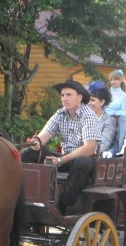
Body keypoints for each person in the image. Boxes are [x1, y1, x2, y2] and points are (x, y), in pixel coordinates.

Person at [21, 79, 99, 213]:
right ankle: (28, 196)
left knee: (81, 163)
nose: (64, 98)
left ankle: (66, 203)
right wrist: (36, 142)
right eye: (62, 95)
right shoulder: (60, 114)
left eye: (69, 95)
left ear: (79, 97)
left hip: (85, 158)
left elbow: (89, 148)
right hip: (64, 157)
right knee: (26, 153)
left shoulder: (88, 115)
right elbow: (43, 136)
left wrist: (60, 161)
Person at [86, 81, 117, 158]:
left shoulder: (109, 121)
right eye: (88, 100)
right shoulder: (82, 117)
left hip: (94, 159)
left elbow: (102, 146)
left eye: (92, 100)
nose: (89, 103)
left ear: (102, 102)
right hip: (76, 154)